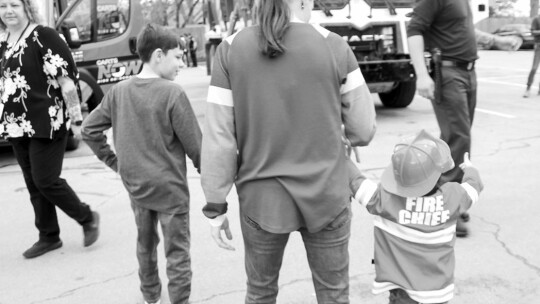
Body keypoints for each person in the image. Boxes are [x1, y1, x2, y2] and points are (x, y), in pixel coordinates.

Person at [200, 0, 376, 303]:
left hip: (260, 202)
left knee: (260, 292)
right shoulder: (334, 45)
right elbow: (363, 129)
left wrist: (216, 207)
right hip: (327, 196)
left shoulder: (229, 49)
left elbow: (219, 139)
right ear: (303, 2)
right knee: (334, 295)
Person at [81, 24, 201, 304]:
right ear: (158, 55)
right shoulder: (173, 94)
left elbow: (88, 130)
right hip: (171, 191)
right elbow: (197, 149)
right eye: (178, 57)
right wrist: (215, 189)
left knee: (145, 246)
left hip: (137, 186)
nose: (182, 63)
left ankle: (150, 297)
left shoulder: (119, 92)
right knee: (178, 253)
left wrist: (117, 164)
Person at [406, 0, 518, 237]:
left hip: (467, 72)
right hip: (448, 74)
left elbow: (463, 30)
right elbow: (414, 30)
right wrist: (422, 76)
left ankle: (434, 194)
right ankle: (448, 208)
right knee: (459, 138)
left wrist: (496, 40)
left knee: (452, 139)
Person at [0, 0, 99, 259]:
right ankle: (49, 236)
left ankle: (87, 216)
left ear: (26, 8)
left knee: (46, 179)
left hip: (48, 120)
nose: (8, 10)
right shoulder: (2, 42)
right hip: (15, 123)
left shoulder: (43, 36)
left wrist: (77, 120)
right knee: (33, 183)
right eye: (2, 6)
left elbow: (67, 82)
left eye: (14, 5)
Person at [351, 129, 483, 304]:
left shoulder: (384, 199)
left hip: (401, 291)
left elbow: (354, 181)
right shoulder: (453, 197)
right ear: (438, 173)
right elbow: (474, 187)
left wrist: (340, 154)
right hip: (438, 291)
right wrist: (470, 169)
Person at [524, 14, 540, 98]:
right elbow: (532, 32)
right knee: (534, 68)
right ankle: (528, 88)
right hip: (538, 46)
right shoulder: (537, 19)